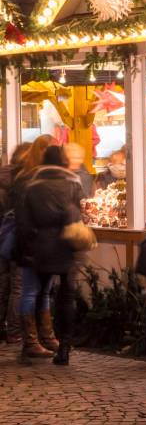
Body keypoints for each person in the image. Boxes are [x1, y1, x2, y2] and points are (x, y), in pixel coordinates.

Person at [16, 145, 84, 365]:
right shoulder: (74, 182)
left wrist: (31, 245)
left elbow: (24, 223)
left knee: (37, 293)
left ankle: (32, 342)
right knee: (66, 298)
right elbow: (78, 214)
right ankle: (63, 346)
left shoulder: (32, 185)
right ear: (63, 161)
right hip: (67, 245)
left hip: (42, 247)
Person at [11, 134, 57, 359]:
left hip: (44, 243)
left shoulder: (39, 177)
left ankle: (46, 336)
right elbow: (25, 217)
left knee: (44, 291)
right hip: (32, 244)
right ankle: (30, 340)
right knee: (30, 291)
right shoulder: (28, 179)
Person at [0, 142, 31, 344]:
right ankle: (14, 330)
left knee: (3, 284)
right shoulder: (23, 180)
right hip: (15, 236)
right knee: (18, 285)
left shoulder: (4, 176)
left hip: (3, 237)